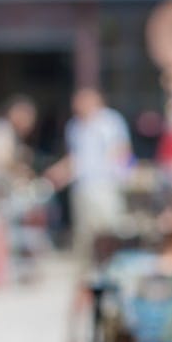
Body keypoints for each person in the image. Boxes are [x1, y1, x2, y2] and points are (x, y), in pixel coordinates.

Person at [46, 88, 132, 265]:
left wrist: (123, 175)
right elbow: (75, 158)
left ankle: (112, 265)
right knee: (85, 233)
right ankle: (90, 269)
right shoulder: (74, 127)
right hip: (83, 186)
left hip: (105, 184)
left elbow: (122, 150)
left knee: (109, 229)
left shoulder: (110, 121)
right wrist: (57, 174)